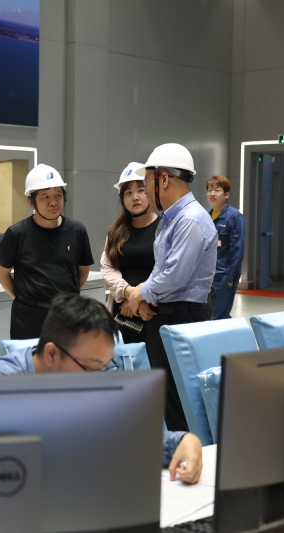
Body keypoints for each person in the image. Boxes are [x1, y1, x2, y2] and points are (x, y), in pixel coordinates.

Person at [0, 292, 203, 484]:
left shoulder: (84, 381)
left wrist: (184, 442)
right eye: (91, 367)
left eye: (105, 367)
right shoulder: (0, 383)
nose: (98, 379)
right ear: (51, 354)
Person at [125, 143, 217, 432]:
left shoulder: (189, 220)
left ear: (163, 179)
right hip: (165, 314)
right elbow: (161, 269)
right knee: (168, 398)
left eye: (147, 181)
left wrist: (139, 293)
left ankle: (186, 452)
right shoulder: (173, 218)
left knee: (179, 403)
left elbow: (174, 276)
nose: (144, 190)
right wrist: (144, 296)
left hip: (181, 317)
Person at [0, 164, 94, 340]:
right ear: (31, 202)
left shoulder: (77, 230)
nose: (53, 202)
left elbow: (83, 271)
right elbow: (2, 273)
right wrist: (24, 298)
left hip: (67, 316)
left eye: (58, 195)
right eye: (45, 196)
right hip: (28, 319)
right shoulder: (17, 233)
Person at [100, 162, 160, 344]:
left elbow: (166, 269)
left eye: (141, 190)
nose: (135, 197)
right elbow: (107, 267)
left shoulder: (164, 228)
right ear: (122, 198)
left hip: (153, 309)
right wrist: (127, 293)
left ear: (150, 191)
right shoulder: (116, 232)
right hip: (122, 312)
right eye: (128, 192)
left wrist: (138, 298)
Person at [206, 175, 245, 320]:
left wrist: (230, 277)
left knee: (219, 316)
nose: (212, 193)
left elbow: (237, 248)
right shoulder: (206, 216)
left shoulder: (234, 216)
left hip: (223, 275)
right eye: (209, 190)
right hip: (207, 274)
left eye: (217, 190)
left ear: (226, 194)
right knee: (207, 315)